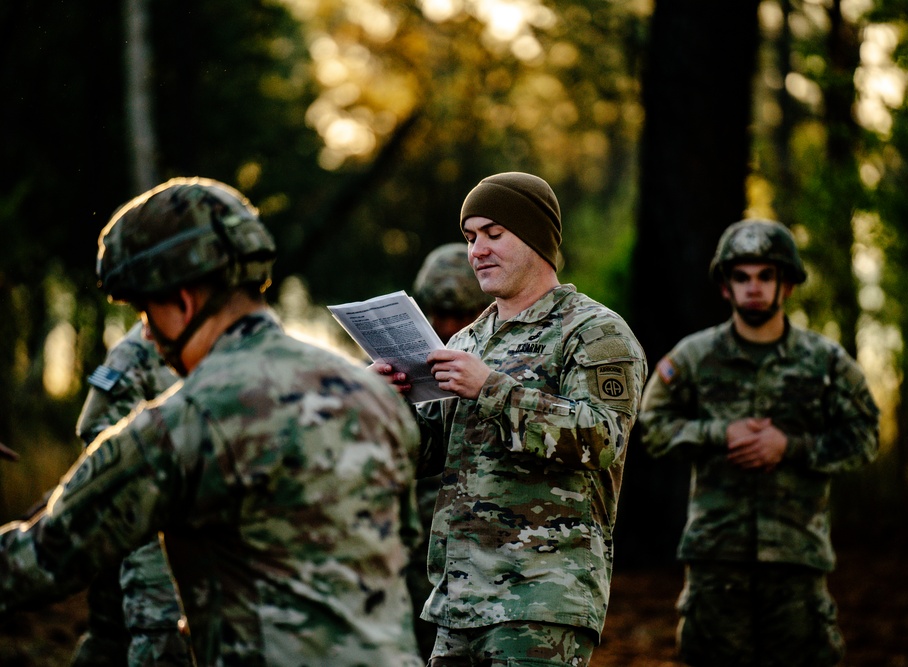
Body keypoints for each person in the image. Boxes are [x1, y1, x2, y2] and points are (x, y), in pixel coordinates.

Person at [0, 177, 424, 666]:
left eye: (146, 313)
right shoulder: (373, 395)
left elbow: (39, 561)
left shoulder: (183, 422)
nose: (150, 339)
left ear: (183, 302)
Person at [376, 172, 648, 666]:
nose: (477, 249)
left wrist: (492, 390)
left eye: (493, 234)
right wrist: (387, 402)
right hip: (456, 604)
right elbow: (427, 454)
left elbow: (603, 438)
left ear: (536, 237)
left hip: (542, 599)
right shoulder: (465, 342)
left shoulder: (592, 331)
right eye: (470, 237)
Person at [638, 218, 880, 667]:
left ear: (786, 284)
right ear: (725, 287)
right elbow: (651, 424)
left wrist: (791, 446)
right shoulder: (694, 357)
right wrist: (716, 433)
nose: (754, 287)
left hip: (796, 562)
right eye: (742, 277)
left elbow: (865, 436)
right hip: (716, 563)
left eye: (765, 276)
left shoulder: (825, 363)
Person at [71, 322, 192, 667]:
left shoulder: (230, 342)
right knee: (154, 639)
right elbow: (97, 434)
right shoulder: (135, 351)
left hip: (204, 539)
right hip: (146, 535)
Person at [408, 242, 494, 661]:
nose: (446, 327)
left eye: (461, 316)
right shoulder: (394, 364)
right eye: (437, 315)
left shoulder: (499, 368)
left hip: (470, 562)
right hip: (400, 552)